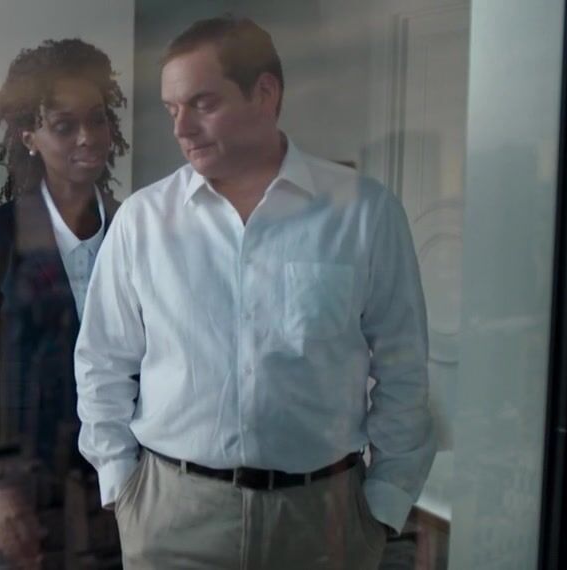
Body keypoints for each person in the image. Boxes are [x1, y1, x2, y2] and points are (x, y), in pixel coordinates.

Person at [74, 16, 435, 569]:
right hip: (173, 517)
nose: (182, 128)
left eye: (202, 103)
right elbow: (102, 361)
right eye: (172, 109)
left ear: (265, 93)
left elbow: (403, 366)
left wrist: (385, 502)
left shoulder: (363, 213)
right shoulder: (143, 221)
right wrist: (122, 485)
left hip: (325, 520)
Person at [0, 38, 129, 569]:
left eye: (97, 119)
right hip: (24, 490)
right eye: (65, 126)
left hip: (123, 483)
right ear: (29, 137)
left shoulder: (136, 227)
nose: (88, 137)